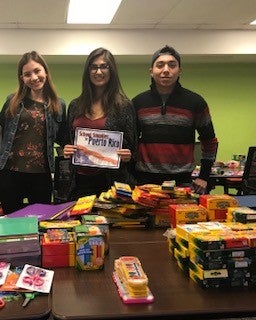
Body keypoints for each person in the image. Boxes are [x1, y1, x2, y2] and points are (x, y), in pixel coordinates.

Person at [132, 45, 218, 194]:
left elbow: (209, 141)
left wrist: (204, 176)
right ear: (151, 71)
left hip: (182, 183)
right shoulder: (137, 103)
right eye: (160, 65)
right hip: (145, 184)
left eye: (172, 65)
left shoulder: (196, 102)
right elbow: (130, 142)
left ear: (179, 71)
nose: (166, 70)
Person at [63, 47, 137, 199]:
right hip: (79, 182)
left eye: (104, 66)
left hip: (111, 183)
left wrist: (128, 155)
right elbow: (69, 141)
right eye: (94, 67)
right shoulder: (75, 105)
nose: (98, 72)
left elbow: (133, 149)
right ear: (88, 71)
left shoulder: (124, 106)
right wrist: (67, 150)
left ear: (112, 71)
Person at [0, 51, 67, 214]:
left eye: (37, 71)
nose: (34, 77)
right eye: (27, 74)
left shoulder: (59, 105)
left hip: (41, 175)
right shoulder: (12, 100)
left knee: (40, 221)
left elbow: (63, 137)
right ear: (21, 78)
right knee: (11, 221)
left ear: (45, 71)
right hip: (10, 172)